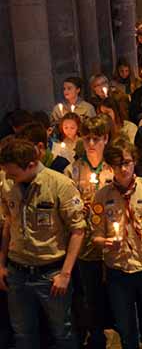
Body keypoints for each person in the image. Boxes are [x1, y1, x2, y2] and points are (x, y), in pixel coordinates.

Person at [0, 138, 86, 349]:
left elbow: (78, 230)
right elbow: (8, 222)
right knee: (22, 333)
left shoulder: (60, 185)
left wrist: (65, 274)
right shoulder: (8, 182)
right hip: (17, 271)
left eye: (13, 173)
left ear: (30, 165)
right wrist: (1, 263)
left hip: (51, 274)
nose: (8, 177)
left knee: (62, 333)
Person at [92, 138, 142, 349]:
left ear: (134, 161)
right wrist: (106, 242)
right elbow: (95, 236)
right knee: (127, 331)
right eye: (118, 164)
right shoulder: (102, 196)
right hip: (118, 269)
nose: (123, 168)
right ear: (110, 166)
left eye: (127, 162)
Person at [64, 116, 114, 349]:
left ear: (105, 138)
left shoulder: (114, 166)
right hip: (86, 243)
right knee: (90, 293)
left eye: (97, 138)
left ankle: (122, 330)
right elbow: (65, 204)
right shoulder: (73, 170)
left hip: (113, 239)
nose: (91, 143)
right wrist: (78, 206)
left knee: (117, 291)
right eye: (87, 138)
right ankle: (96, 335)